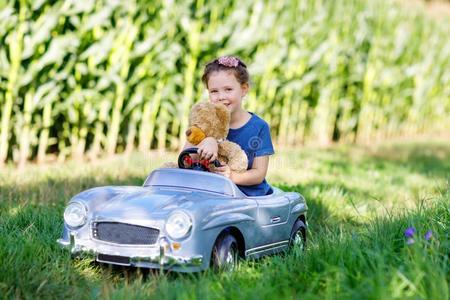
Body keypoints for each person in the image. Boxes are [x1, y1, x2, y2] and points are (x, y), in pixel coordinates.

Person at [183, 55, 274, 196]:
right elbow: (185, 162)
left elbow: (259, 174)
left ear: (244, 89)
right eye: (214, 91)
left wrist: (231, 176)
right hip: (213, 192)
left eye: (228, 89)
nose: (220, 96)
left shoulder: (259, 127)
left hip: (248, 196)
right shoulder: (206, 122)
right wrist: (208, 139)